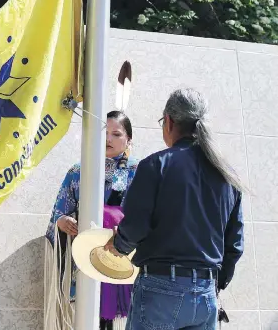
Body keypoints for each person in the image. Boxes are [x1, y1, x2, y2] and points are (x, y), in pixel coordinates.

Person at [105, 88, 245, 330]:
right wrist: (215, 284)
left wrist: (118, 245)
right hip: (205, 293)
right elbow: (234, 245)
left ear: (168, 122)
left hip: (159, 289)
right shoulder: (227, 176)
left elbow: (135, 226)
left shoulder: (155, 165)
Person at [44, 111, 139, 330]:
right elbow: (58, 214)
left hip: (126, 261)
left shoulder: (141, 172)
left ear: (128, 140)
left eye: (116, 134)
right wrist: (63, 222)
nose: (108, 139)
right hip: (88, 260)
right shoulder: (78, 171)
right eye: (105, 133)